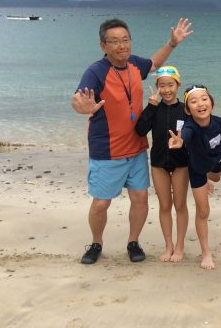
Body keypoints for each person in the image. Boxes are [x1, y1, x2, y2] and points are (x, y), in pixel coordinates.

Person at [71, 17, 193, 264]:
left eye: (125, 40)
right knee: (101, 203)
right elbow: (79, 99)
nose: (122, 46)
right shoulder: (96, 71)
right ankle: (96, 243)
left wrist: (172, 43)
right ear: (103, 46)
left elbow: (155, 63)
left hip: (137, 148)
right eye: (115, 41)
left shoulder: (135, 64)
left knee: (140, 198)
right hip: (108, 149)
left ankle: (133, 242)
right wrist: (83, 107)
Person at [168, 85, 221, 270]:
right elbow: (186, 134)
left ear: (212, 103)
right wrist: (180, 141)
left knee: (216, 179)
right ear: (187, 110)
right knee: (203, 211)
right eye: (193, 101)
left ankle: (210, 180)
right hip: (198, 167)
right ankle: (206, 253)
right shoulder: (189, 127)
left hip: (216, 161)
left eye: (204, 99)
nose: (200, 104)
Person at [134, 65, 189, 262]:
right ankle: (168, 246)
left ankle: (180, 246)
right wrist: (150, 107)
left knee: (180, 205)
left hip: (181, 163)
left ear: (178, 85)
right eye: (162, 85)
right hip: (158, 163)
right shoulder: (154, 109)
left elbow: (196, 133)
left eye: (170, 85)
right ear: (157, 86)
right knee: (165, 205)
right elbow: (140, 130)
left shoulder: (185, 109)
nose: (166, 90)